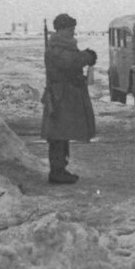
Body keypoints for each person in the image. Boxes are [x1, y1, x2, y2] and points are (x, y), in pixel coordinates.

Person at [41, 13, 97, 184]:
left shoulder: (62, 44)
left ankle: (60, 169)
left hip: (65, 95)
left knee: (62, 133)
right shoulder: (57, 47)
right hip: (60, 97)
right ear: (62, 29)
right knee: (58, 134)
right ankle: (57, 171)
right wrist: (87, 56)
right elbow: (70, 61)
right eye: (70, 29)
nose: (73, 32)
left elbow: (71, 62)